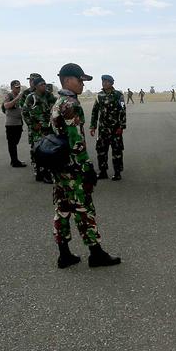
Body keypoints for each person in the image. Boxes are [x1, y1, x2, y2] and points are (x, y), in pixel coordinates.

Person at [49, 63, 121, 269]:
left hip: (60, 167)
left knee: (62, 208)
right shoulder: (71, 104)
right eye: (80, 80)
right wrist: (86, 167)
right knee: (84, 209)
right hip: (73, 168)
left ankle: (64, 254)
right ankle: (96, 254)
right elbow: (76, 142)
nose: (82, 84)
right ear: (67, 80)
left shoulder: (58, 102)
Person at [90, 74, 126, 180]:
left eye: (107, 82)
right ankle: (103, 172)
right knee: (101, 151)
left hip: (115, 129)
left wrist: (121, 126)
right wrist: (93, 126)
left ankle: (117, 172)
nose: (104, 83)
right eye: (103, 81)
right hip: (103, 129)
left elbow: (123, 110)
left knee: (117, 151)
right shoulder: (99, 95)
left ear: (112, 83)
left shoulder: (118, 95)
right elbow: (95, 111)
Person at [22, 74, 57, 183]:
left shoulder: (49, 95)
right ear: (36, 86)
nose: (44, 86)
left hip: (48, 129)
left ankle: (46, 173)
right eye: (41, 84)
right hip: (36, 130)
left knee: (47, 151)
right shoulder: (31, 97)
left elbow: (56, 106)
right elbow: (25, 112)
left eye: (45, 84)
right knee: (37, 151)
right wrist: (32, 124)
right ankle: (39, 173)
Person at [1, 80, 27, 168]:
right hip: (11, 124)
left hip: (19, 123)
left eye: (19, 87)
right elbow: (6, 106)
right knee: (12, 143)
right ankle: (14, 161)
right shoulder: (9, 96)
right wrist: (16, 99)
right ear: (12, 87)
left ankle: (14, 160)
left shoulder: (21, 96)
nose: (18, 89)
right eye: (16, 87)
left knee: (15, 141)